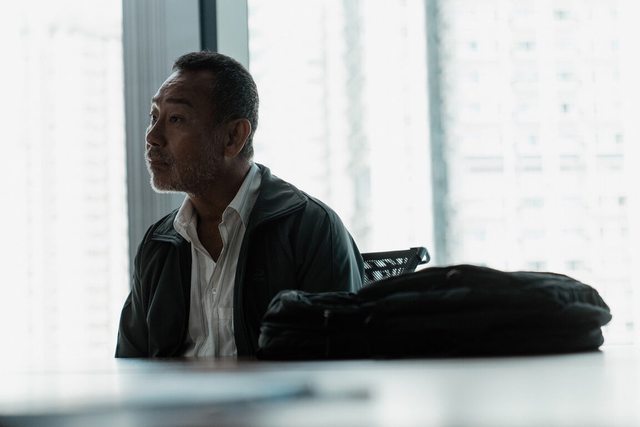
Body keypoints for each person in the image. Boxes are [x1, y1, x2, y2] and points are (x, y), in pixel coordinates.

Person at [115, 51, 364, 358]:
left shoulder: (312, 229)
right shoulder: (158, 245)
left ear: (233, 137)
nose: (153, 137)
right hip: (174, 393)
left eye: (176, 119)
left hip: (278, 393)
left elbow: (340, 365)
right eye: (154, 117)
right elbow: (130, 365)